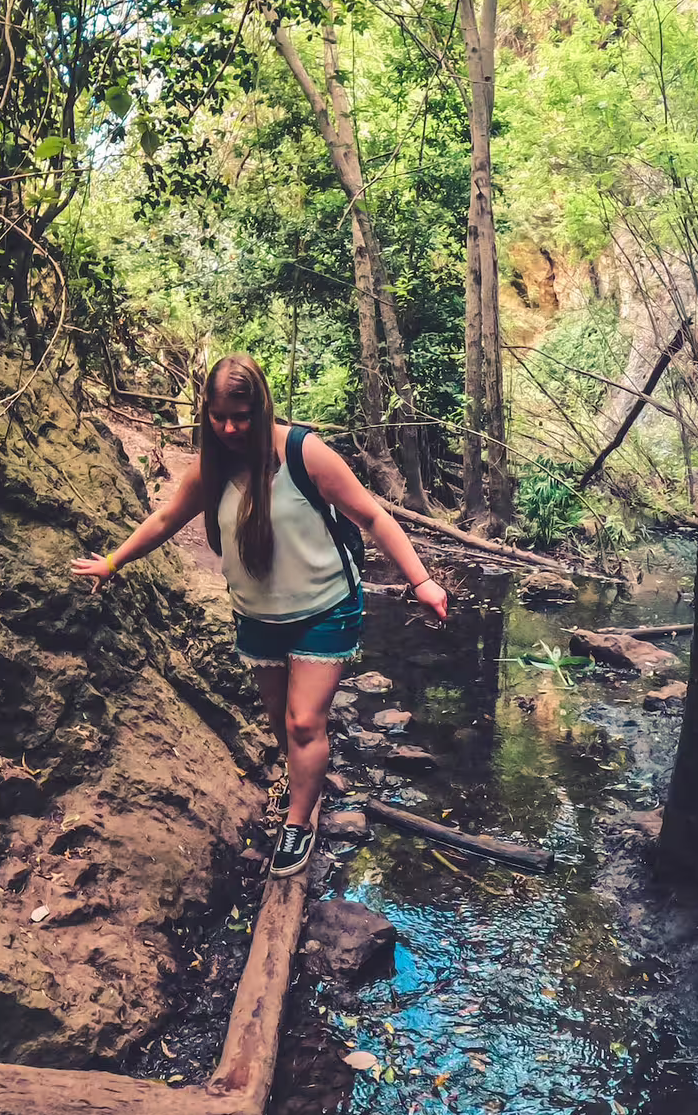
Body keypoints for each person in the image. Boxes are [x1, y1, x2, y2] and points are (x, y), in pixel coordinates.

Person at [71, 354, 449, 878]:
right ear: (206, 411)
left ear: (262, 406)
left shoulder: (303, 452)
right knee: (280, 723)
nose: (229, 428)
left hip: (325, 608)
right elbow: (164, 519)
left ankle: (299, 822)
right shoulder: (212, 469)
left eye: (241, 416)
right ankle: (306, 774)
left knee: (302, 720)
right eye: (219, 416)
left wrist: (421, 580)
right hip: (257, 616)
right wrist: (113, 562)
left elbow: (371, 515)